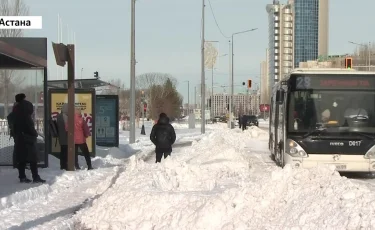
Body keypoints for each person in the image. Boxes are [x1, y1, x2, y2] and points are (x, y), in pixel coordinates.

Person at [12, 97, 45, 183]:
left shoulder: (16, 116)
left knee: (22, 160)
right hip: (28, 141)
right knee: (33, 160)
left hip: (20, 140)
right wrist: (35, 134)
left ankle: (22, 177)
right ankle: (35, 177)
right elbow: (30, 129)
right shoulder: (26, 117)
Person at [56, 103, 68, 170]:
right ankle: (65, 165)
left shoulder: (59, 116)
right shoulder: (67, 117)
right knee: (66, 152)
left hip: (61, 136)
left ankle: (62, 165)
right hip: (67, 137)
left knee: (62, 151)